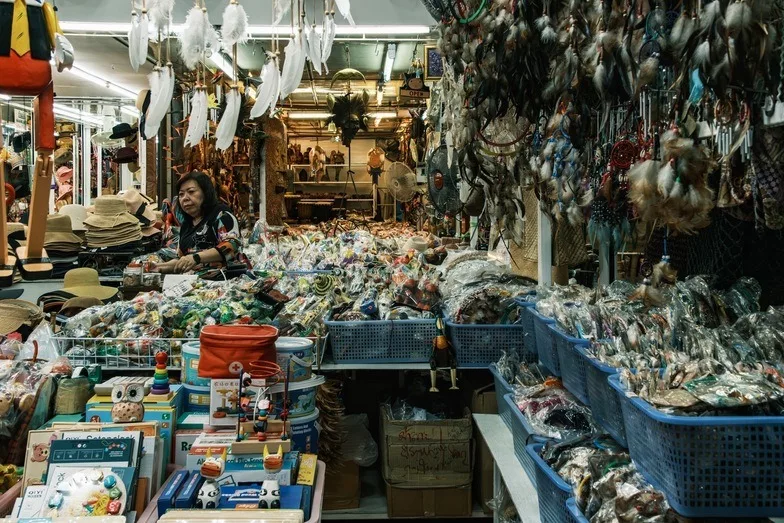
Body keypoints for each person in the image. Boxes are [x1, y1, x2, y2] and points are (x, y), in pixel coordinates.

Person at [154, 171, 243, 274]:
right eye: (181, 194)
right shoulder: (186, 226)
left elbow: (232, 245)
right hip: (193, 285)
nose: (185, 198)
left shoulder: (221, 214)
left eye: (191, 192)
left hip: (222, 283)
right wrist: (159, 267)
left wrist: (196, 258)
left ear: (205, 193)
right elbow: (182, 260)